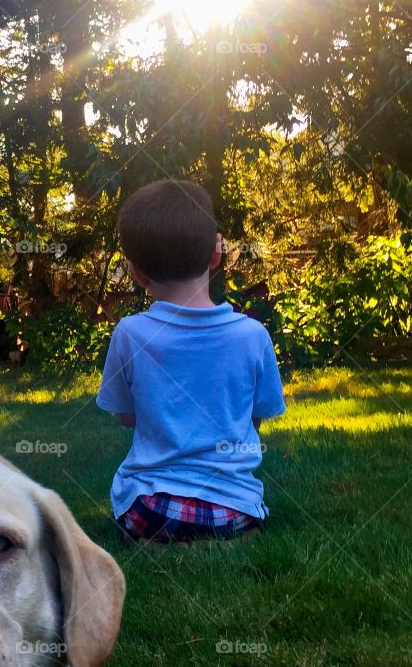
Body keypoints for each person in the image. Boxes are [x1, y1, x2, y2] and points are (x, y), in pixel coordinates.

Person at [97, 179, 285, 543]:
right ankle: (226, 537)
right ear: (216, 254)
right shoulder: (253, 336)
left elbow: (125, 417)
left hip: (147, 509)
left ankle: (167, 541)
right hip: (233, 509)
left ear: (136, 272)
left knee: (135, 503)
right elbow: (257, 417)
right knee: (235, 517)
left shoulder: (129, 333)